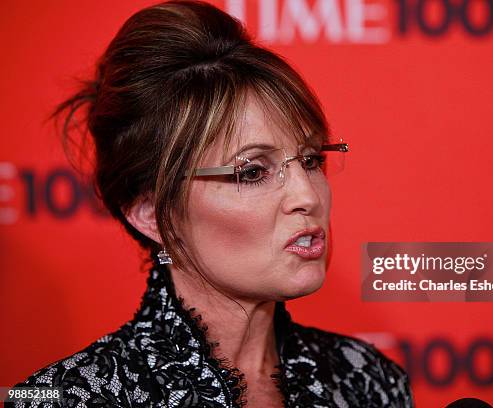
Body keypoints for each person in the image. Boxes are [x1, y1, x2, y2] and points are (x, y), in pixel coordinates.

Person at [9, 1, 413, 406]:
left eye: (310, 160)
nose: (307, 196)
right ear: (151, 213)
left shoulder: (368, 382)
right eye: (252, 172)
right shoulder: (65, 398)